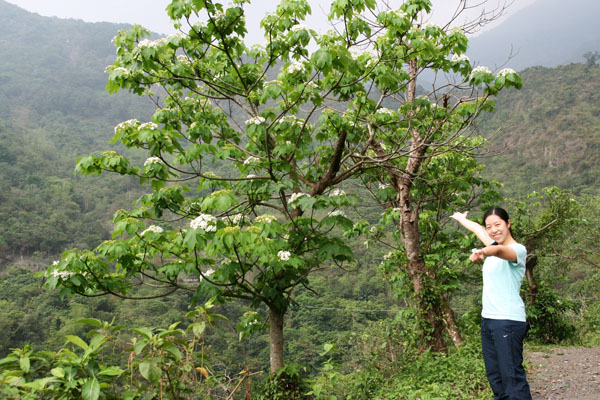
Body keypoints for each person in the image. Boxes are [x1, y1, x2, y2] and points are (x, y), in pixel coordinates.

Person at [451, 207, 532, 400]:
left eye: (498, 224)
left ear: (508, 223)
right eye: (490, 226)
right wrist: (463, 220)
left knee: (512, 377)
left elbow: (497, 250)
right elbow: (478, 230)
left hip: (508, 321)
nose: (494, 229)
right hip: (489, 320)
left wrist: (483, 252)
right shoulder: (492, 241)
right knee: (495, 377)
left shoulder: (517, 250)